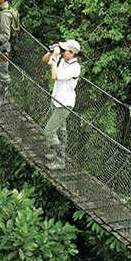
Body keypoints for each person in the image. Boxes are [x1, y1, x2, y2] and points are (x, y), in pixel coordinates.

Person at [41, 40, 81, 170]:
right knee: (60, 129)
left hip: (64, 104)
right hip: (56, 99)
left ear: (72, 53)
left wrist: (55, 58)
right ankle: (57, 153)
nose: (63, 52)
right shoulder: (63, 59)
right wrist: (52, 52)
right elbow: (44, 60)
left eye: (65, 50)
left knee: (49, 131)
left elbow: (54, 75)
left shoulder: (74, 67)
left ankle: (60, 159)